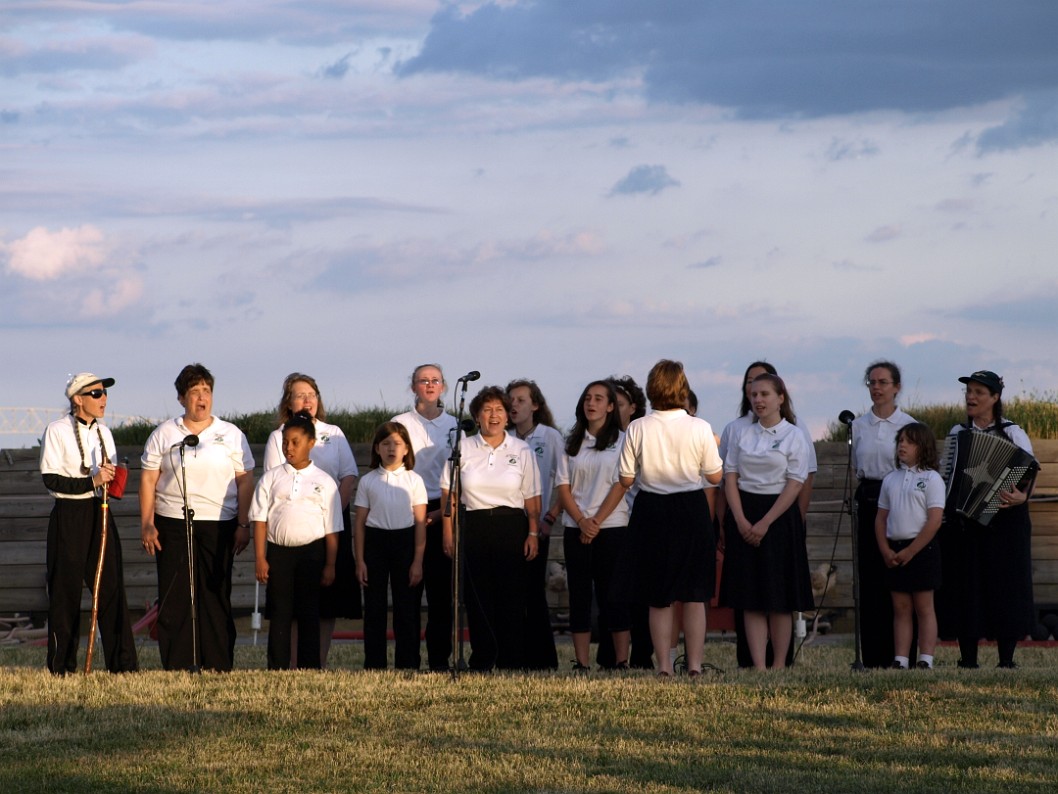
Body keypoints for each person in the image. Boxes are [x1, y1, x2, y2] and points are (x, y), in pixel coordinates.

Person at [600, 360, 723, 677]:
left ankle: (665, 666)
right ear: (682, 388)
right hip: (691, 509)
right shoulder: (699, 427)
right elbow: (714, 475)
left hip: (652, 510)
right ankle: (694, 665)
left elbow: (626, 479)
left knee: (659, 596)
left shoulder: (638, 427)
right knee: (694, 595)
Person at [140, 363, 254, 672]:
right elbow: (149, 479)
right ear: (181, 398)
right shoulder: (165, 434)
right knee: (176, 594)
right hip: (172, 522)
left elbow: (245, 480)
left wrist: (244, 524)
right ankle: (178, 664)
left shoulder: (230, 434)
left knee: (215, 593)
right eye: (194, 392)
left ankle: (217, 663)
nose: (201, 399)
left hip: (220, 523)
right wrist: (147, 523)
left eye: (206, 391)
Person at [717, 361, 817, 668]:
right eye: (754, 394)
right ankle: (758, 666)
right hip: (744, 514)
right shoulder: (742, 434)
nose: (758, 399)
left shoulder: (793, 435)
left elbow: (796, 482)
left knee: (779, 597)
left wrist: (765, 522)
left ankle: (778, 666)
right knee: (751, 596)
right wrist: (741, 520)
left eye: (765, 394)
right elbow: (730, 477)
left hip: (778, 516)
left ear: (780, 398)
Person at [40, 372, 137, 675]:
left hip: (100, 511)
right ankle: (62, 666)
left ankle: (123, 666)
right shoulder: (56, 430)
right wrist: (91, 480)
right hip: (69, 515)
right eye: (95, 394)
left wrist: (112, 478)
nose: (103, 398)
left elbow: (106, 478)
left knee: (111, 587)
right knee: (65, 590)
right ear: (77, 399)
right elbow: (50, 479)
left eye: (104, 393)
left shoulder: (105, 433)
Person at [939, 370, 1037, 669]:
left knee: (1006, 586)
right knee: (966, 587)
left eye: (979, 392)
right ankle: (967, 658)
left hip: (1004, 523)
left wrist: (1023, 497)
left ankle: (1006, 658)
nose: (971, 397)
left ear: (995, 398)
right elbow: (948, 474)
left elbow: (1029, 470)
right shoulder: (958, 434)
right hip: (964, 524)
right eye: (969, 391)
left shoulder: (1013, 433)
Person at [440, 385, 540, 671]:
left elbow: (532, 495)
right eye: (487, 410)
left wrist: (533, 532)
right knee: (477, 597)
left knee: (510, 596)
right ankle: (482, 659)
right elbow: (449, 493)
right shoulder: (464, 448)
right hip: (475, 525)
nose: (493, 416)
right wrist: (448, 532)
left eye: (499, 410)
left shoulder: (521, 449)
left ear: (507, 416)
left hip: (511, 526)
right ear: (477, 416)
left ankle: (511, 660)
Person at [263, 373, 359, 667]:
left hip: (329, 526)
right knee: (290, 602)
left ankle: (318, 660)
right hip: (290, 528)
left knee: (325, 599)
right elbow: (271, 481)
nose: (307, 400)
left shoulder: (334, 433)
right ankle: (291, 663)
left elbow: (349, 475)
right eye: (299, 395)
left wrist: (327, 515)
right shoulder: (278, 436)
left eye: (312, 395)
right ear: (288, 403)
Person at [251, 413, 341, 670]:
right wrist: (260, 557)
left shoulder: (324, 481)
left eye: (295, 442)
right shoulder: (271, 478)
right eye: (285, 442)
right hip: (278, 553)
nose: (289, 448)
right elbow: (259, 519)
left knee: (309, 612)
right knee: (280, 612)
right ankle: (277, 667)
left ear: (310, 442)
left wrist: (330, 565)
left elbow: (333, 528)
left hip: (312, 554)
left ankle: (309, 667)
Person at [555, 380, 631, 671]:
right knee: (580, 595)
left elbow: (621, 484)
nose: (592, 403)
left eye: (599, 399)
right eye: (588, 398)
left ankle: (620, 661)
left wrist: (596, 521)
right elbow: (563, 488)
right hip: (577, 527)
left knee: (614, 594)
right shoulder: (571, 443)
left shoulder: (623, 441)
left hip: (611, 526)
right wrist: (582, 521)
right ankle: (582, 663)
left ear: (610, 406)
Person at [392, 364, 459, 672]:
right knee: (408, 593)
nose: (430, 385)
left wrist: (441, 512)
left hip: (444, 508)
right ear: (413, 387)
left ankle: (439, 661)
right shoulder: (400, 423)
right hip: (408, 508)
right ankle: (407, 661)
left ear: (443, 387)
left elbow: (459, 476)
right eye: (423, 380)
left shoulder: (456, 426)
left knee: (440, 595)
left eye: (435, 380)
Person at [851, 361, 917, 668]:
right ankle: (873, 655)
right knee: (870, 578)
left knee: (899, 579)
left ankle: (901, 654)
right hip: (868, 498)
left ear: (896, 387)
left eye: (882, 382)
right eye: (871, 383)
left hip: (899, 499)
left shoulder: (909, 425)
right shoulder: (859, 425)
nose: (876, 388)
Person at [355, 422, 427, 670]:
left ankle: (407, 663)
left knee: (406, 607)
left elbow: (420, 523)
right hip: (375, 543)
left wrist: (417, 561)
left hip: (405, 543)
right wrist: (360, 560)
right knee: (374, 608)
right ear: (377, 448)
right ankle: (374, 664)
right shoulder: (368, 481)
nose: (391, 448)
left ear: (406, 448)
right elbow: (360, 524)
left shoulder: (414, 480)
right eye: (385, 443)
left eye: (397, 443)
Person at [874, 423, 944, 670]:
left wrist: (911, 551)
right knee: (901, 607)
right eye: (900, 440)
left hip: (922, 550)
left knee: (924, 607)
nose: (902, 445)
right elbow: (881, 518)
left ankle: (925, 658)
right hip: (895, 549)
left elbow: (934, 520)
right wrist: (885, 549)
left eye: (909, 441)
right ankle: (901, 659)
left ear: (922, 446)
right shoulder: (891, 479)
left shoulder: (932, 478)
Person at [506, 379, 561, 670]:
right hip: (508, 526)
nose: (514, 405)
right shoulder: (504, 439)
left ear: (535, 405)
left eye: (521, 400)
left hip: (538, 526)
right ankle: (514, 656)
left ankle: (542, 659)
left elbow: (565, 481)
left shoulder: (550, 437)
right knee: (511, 592)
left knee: (533, 592)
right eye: (511, 400)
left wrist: (550, 518)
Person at [603, 374, 652, 670]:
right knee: (613, 594)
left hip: (640, 522)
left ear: (633, 407)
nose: (613, 409)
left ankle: (642, 655)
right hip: (609, 526)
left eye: (619, 403)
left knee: (643, 595)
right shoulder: (597, 442)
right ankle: (612, 656)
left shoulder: (642, 435)